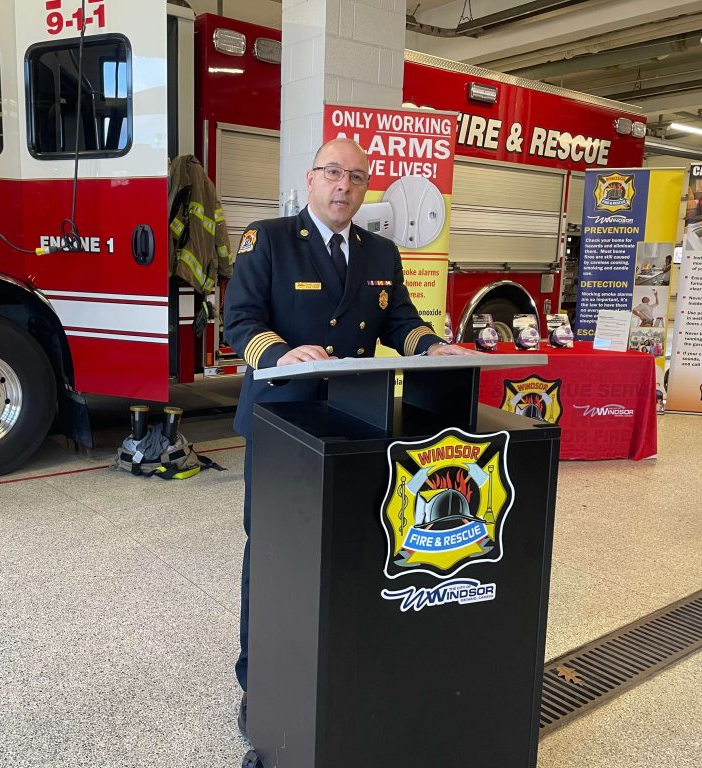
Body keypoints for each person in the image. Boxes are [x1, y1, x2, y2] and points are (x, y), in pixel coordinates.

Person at [222, 137, 477, 739]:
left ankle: (339, 669)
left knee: (347, 553)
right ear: (311, 179)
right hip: (283, 424)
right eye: (333, 172)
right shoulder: (269, 239)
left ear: (366, 189)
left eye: (357, 177)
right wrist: (281, 354)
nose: (344, 185)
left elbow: (401, 321)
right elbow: (240, 321)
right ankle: (261, 682)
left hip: (354, 426)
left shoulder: (380, 251)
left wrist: (433, 347)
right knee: (277, 552)